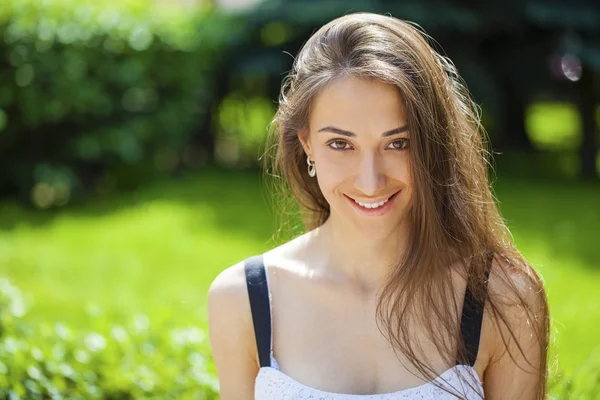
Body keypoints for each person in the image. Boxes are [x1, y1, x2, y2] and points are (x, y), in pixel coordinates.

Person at [207, 12, 549, 400]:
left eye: (398, 143)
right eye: (340, 144)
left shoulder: (502, 296)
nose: (370, 181)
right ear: (306, 144)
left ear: (432, 144)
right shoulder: (243, 300)